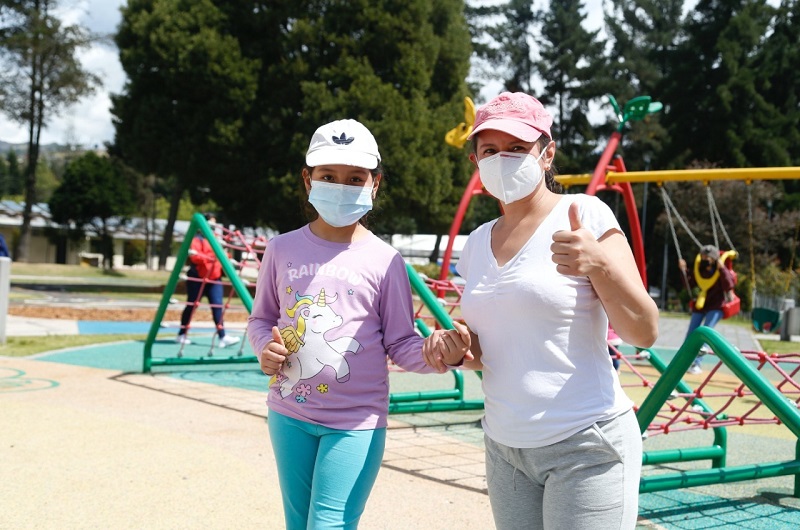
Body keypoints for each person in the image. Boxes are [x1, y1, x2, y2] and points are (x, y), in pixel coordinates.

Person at [422, 92, 659, 530]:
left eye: (516, 148)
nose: (502, 159)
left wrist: (600, 265)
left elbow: (644, 331)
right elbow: (486, 346)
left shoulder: (584, 214)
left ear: (546, 153)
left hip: (586, 443)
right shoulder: (476, 243)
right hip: (504, 447)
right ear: (476, 162)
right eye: (489, 151)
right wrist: (453, 346)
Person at [247, 118, 470, 529]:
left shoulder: (386, 261)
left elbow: (402, 342)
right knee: (298, 523)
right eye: (328, 175)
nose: (341, 185)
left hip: (355, 422)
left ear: (375, 184)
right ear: (307, 179)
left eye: (355, 178)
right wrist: (264, 347)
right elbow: (261, 319)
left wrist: (437, 353)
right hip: (287, 413)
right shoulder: (280, 249)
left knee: (329, 523)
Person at [176, 213, 240, 348]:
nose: (212, 227)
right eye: (209, 224)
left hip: (214, 278)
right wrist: (212, 256)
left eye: (214, 224)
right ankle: (182, 333)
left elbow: (224, 256)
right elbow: (195, 257)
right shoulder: (197, 239)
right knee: (191, 305)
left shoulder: (217, 240)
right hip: (197, 278)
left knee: (218, 306)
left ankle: (223, 336)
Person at [678, 244, 735, 374]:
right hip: (701, 305)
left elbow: (729, 285)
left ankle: (697, 364)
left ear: (714, 258)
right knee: (691, 333)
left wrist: (722, 269)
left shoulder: (720, 270)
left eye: (707, 258)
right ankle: (683, 362)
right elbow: (690, 284)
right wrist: (684, 271)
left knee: (705, 332)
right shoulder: (700, 269)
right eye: (703, 257)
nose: (705, 260)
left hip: (716, 306)